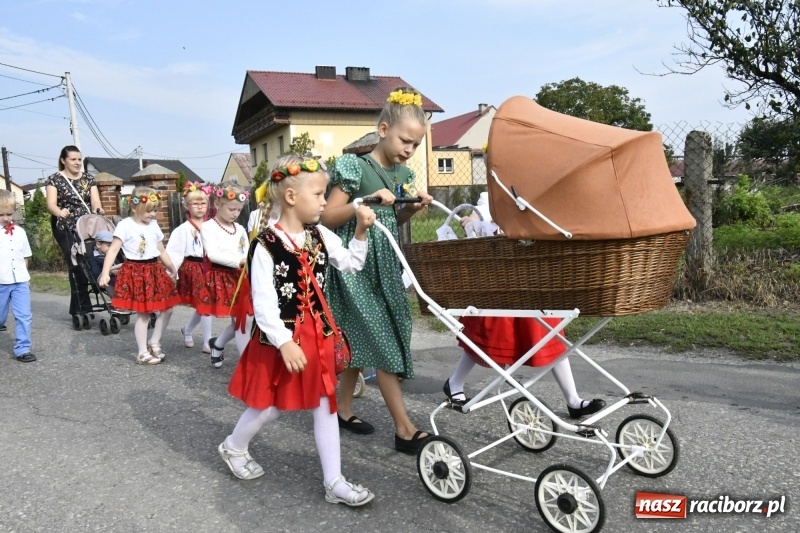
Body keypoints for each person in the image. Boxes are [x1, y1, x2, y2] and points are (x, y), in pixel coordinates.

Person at [221, 154, 377, 507]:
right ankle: (234, 446)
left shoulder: (318, 233)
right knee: (271, 406)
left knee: (325, 402)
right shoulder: (265, 245)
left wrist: (361, 231)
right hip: (282, 340)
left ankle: (334, 481)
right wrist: (284, 343)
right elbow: (263, 304)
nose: (325, 201)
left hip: (317, 336)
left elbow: (352, 263)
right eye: (320, 194)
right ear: (291, 197)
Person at [320, 87, 434, 453]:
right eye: (405, 140)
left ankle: (341, 408)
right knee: (382, 340)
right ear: (383, 130)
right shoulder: (355, 167)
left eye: (416, 145)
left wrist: (411, 209)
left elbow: (392, 217)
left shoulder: (402, 172)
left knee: (362, 336)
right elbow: (325, 215)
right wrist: (361, 202)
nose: (409, 150)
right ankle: (403, 429)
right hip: (355, 266)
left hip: (385, 266)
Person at [443, 195, 606, 419]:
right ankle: (455, 382)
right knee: (487, 335)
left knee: (551, 332)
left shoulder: (537, 193)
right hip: (499, 283)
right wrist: (473, 223)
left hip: (532, 280)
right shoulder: (494, 194)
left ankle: (573, 400)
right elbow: (480, 215)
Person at [98, 187, 180, 365]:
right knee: (144, 314)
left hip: (155, 270)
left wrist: (172, 267)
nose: (154, 214)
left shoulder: (153, 225)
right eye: (150, 210)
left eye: (156, 210)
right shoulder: (125, 225)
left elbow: (161, 250)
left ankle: (154, 341)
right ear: (135, 207)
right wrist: (105, 272)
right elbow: (113, 250)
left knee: (168, 308)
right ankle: (142, 352)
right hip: (136, 272)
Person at [45, 145, 105, 320]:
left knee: (91, 261)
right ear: (64, 160)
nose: (77, 163)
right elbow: (51, 204)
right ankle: (81, 308)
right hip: (65, 226)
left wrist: (98, 209)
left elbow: (95, 201)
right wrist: (59, 212)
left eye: (79, 159)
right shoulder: (54, 179)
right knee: (76, 264)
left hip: (86, 226)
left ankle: (89, 304)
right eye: (73, 159)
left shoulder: (88, 179)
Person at [197, 183, 249, 368]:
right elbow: (212, 253)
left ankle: (217, 344)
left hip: (242, 277)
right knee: (241, 321)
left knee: (244, 320)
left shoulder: (240, 229)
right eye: (232, 209)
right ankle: (246, 365)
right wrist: (240, 261)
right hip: (222, 277)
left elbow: (247, 250)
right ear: (218, 203)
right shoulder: (208, 227)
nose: (235, 213)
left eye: (239, 210)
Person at [166, 182, 213, 353]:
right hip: (193, 269)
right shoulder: (182, 230)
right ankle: (208, 341)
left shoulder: (212, 226)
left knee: (205, 304)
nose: (200, 207)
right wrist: (171, 272)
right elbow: (175, 253)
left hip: (210, 268)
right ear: (187, 206)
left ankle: (187, 329)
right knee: (205, 303)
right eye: (195, 203)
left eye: (203, 203)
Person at [0, 190, 35, 362]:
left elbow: (25, 256)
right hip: (1, 282)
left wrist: (26, 277)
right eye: (1, 214)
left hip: (20, 281)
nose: (5, 218)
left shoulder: (20, 232)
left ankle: (23, 348)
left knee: (24, 315)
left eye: (9, 214)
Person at [89, 230, 122, 296]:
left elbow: (119, 265)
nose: (111, 248)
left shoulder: (112, 256)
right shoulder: (95, 259)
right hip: (106, 280)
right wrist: (110, 272)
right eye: (108, 246)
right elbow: (96, 274)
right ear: (98, 245)